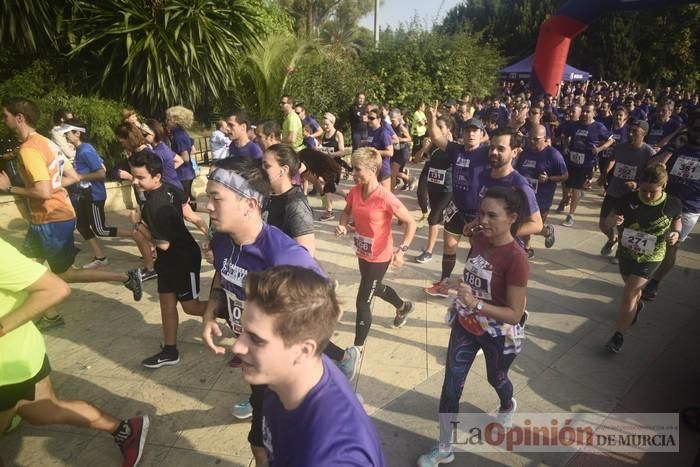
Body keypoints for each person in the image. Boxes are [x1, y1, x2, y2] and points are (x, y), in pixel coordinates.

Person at [199, 156, 327, 466]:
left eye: (216, 198)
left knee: (285, 450)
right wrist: (210, 311)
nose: (208, 207)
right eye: (208, 198)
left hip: (289, 378)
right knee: (259, 445)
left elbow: (322, 312)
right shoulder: (222, 240)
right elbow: (223, 272)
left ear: (249, 204)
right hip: (257, 368)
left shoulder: (285, 257)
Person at [0, 238, 149, 467]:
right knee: (43, 411)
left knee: (67, 273)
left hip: (10, 367)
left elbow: (55, 287)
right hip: (20, 359)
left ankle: (126, 277)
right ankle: (125, 430)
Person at [0, 97, 143, 331]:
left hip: (51, 219)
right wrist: (53, 188)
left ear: (19, 118)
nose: (3, 120)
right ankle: (50, 314)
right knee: (30, 269)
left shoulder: (29, 150)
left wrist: (9, 189)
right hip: (47, 218)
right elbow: (73, 177)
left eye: (5, 116)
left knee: (64, 275)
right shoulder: (47, 143)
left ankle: (125, 277)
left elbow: (43, 191)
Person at [417, 187, 529, 467]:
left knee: (497, 379)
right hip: (467, 324)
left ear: (512, 217)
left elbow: (514, 314)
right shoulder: (479, 238)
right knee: (451, 385)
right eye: (481, 214)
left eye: (492, 215)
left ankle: (507, 404)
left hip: (499, 333)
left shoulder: (517, 258)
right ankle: (445, 447)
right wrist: (459, 284)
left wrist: (476, 303)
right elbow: (477, 273)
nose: (484, 221)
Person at [232, 266, 386, 467]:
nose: (237, 346)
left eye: (256, 339)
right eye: (243, 331)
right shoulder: (284, 378)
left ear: (304, 350)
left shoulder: (333, 456)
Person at [335, 148, 417, 366]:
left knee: (363, 300)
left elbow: (411, 222)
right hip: (363, 252)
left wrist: (402, 250)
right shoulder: (355, 191)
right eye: (352, 168)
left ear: (372, 170)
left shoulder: (385, 197)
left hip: (380, 255)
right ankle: (403, 307)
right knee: (375, 288)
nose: (353, 173)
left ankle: (356, 350)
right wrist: (343, 225)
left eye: (357, 169)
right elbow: (346, 211)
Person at [130, 151, 207, 367]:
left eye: (141, 178)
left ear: (156, 176)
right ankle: (170, 350)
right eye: (134, 176)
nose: (135, 182)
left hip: (182, 258)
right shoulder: (169, 188)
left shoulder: (155, 206)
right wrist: (204, 227)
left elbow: (161, 243)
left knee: (191, 307)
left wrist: (138, 225)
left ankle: (236, 316)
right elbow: (188, 212)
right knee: (166, 304)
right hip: (167, 260)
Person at [604, 165, 682, 353]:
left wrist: (676, 234)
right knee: (632, 293)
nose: (647, 195)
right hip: (626, 252)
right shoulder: (627, 199)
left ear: (663, 186)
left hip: (652, 254)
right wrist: (613, 221)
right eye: (643, 190)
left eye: (652, 192)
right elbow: (608, 221)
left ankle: (619, 335)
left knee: (629, 292)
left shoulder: (672, 203)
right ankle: (637, 307)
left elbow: (677, 222)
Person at [423, 101, 490, 298]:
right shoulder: (456, 149)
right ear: (463, 133)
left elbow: (506, 145)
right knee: (449, 246)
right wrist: (430, 119)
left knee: (476, 251)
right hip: (456, 208)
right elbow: (435, 136)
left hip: (477, 212)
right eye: (468, 130)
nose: (471, 134)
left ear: (481, 134)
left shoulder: (486, 153)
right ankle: (444, 284)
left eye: (475, 131)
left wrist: (514, 126)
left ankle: (470, 286)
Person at [643, 110, 700, 301]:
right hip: (665, 202)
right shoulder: (677, 148)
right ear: (689, 128)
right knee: (651, 239)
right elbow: (652, 166)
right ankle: (642, 273)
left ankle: (655, 281)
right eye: (696, 128)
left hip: (689, 209)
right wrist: (672, 147)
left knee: (670, 245)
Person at [60, 121, 133, 268]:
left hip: (94, 195)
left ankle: (137, 235)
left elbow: (101, 173)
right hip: (85, 195)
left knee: (101, 229)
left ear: (77, 133)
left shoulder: (85, 151)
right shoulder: (83, 149)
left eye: (67, 133)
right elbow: (102, 165)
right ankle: (100, 257)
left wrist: (79, 177)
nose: (65, 136)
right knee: (82, 226)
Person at [599, 120, 655, 260]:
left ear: (644, 134)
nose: (630, 134)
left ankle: (620, 252)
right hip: (613, 191)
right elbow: (612, 159)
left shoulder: (649, 152)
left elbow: (652, 176)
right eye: (629, 130)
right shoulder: (621, 147)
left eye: (635, 131)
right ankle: (612, 240)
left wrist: (637, 184)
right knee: (603, 223)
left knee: (624, 226)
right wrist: (604, 175)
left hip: (631, 196)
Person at [514, 124, 567, 257]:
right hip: (523, 195)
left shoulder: (554, 155)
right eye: (530, 138)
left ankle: (547, 231)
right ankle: (526, 247)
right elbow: (518, 170)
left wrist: (549, 178)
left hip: (542, 198)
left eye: (536, 139)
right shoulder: (525, 152)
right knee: (522, 223)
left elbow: (565, 175)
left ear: (545, 139)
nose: (532, 142)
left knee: (535, 226)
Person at [561, 103, 613, 227]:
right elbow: (565, 135)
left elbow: (611, 139)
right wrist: (566, 146)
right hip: (572, 160)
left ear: (594, 113)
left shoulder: (599, 127)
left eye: (587, 112)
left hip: (586, 162)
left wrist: (600, 149)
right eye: (583, 111)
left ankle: (571, 215)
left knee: (576, 188)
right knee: (566, 185)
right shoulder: (574, 125)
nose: (584, 114)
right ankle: (565, 199)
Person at [262, 144, 315, 255]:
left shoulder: (296, 204)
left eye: (266, 166)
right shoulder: (266, 196)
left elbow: (306, 254)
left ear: (283, 170)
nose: (261, 170)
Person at [414, 116, 454, 264]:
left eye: (441, 127)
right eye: (435, 127)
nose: (436, 130)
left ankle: (428, 251)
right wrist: (424, 148)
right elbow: (416, 160)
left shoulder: (453, 147)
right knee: (435, 218)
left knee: (432, 218)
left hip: (448, 189)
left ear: (448, 130)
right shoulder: (432, 146)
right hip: (434, 186)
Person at [317, 112, 349, 222]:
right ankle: (348, 197)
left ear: (332, 123)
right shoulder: (323, 135)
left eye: (327, 124)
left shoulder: (338, 134)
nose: (325, 127)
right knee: (329, 186)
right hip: (326, 164)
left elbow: (341, 151)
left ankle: (329, 211)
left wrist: (331, 154)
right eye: (323, 124)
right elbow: (322, 147)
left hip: (335, 164)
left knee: (328, 187)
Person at [165, 105, 197, 206]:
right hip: (187, 173)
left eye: (169, 120)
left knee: (184, 204)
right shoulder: (182, 133)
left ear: (176, 121)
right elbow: (192, 149)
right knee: (187, 202)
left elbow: (185, 158)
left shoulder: (178, 136)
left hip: (183, 174)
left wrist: (172, 163)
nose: (167, 122)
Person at [365, 106, 394, 190]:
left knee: (384, 196)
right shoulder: (370, 131)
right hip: (372, 168)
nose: (369, 120)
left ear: (379, 119)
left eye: (372, 118)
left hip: (382, 169)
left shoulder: (384, 133)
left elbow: (390, 152)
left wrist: (374, 151)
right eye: (368, 118)